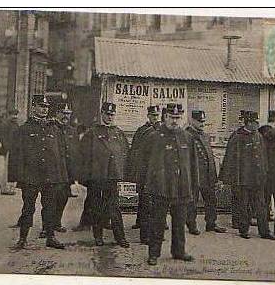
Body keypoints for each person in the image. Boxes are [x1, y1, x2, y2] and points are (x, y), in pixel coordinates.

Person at [140, 103, 198, 265]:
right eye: (171, 117)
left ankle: (178, 251)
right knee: (157, 223)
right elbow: (144, 164)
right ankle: (154, 253)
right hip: (161, 189)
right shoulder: (154, 137)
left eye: (178, 118)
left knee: (179, 223)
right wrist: (147, 186)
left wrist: (193, 186)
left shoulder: (187, 137)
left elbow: (193, 166)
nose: (174, 121)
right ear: (165, 117)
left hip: (181, 188)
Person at [9, 95, 67, 249]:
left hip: (50, 176)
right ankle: (22, 238)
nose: (44, 109)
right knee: (28, 208)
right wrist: (17, 176)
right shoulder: (24, 129)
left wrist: (61, 175)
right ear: (33, 107)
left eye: (46, 107)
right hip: (31, 176)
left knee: (49, 207)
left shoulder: (54, 129)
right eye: (41, 106)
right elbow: (17, 154)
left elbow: (60, 154)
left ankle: (50, 237)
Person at [219, 111, 275, 240]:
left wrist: (265, 172)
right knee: (243, 206)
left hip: (258, 179)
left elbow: (263, 157)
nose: (257, 125)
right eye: (255, 122)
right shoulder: (237, 137)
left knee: (261, 206)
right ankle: (243, 230)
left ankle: (265, 232)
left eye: (257, 122)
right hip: (243, 180)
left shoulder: (258, 136)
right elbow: (230, 159)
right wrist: (230, 179)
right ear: (248, 123)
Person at [79, 102, 130, 248]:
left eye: (112, 114)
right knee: (97, 207)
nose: (109, 117)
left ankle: (120, 238)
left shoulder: (118, 133)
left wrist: (122, 173)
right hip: (97, 176)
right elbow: (83, 155)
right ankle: (98, 236)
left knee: (114, 207)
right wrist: (86, 177)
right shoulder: (92, 133)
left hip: (112, 176)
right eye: (107, 114)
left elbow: (125, 154)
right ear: (101, 114)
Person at [126, 105, 163, 243]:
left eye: (156, 115)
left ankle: (150, 230)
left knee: (152, 202)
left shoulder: (161, 131)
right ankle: (140, 223)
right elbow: (134, 150)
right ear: (148, 116)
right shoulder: (141, 131)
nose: (155, 118)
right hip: (142, 169)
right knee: (143, 198)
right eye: (152, 115)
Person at [185, 110, 227, 235]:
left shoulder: (204, 135)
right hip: (194, 175)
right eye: (199, 121)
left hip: (207, 175)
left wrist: (214, 176)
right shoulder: (187, 135)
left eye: (203, 121)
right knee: (192, 202)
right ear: (192, 120)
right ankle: (191, 225)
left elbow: (209, 157)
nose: (202, 124)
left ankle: (211, 224)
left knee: (211, 200)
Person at [48, 101, 80, 234]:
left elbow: (76, 152)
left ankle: (56, 222)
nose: (66, 116)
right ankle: (47, 227)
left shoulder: (72, 131)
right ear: (56, 114)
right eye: (63, 113)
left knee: (63, 198)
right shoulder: (50, 128)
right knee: (50, 199)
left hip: (67, 172)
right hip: (53, 171)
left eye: (68, 113)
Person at [0, 108, 20, 195]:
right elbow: (3, 138)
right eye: (13, 115)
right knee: (7, 169)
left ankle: (9, 187)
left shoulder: (14, 124)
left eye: (16, 115)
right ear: (10, 115)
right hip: (8, 150)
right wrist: (7, 147)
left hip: (13, 150)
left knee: (11, 168)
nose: (15, 117)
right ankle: (5, 188)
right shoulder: (7, 124)